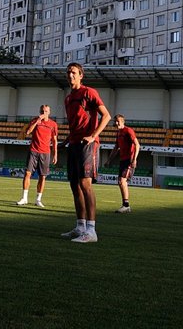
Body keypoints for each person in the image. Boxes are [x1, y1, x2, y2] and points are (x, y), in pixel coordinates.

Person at [61, 63, 111, 243]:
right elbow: (76, 123)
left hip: (87, 144)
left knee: (85, 183)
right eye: (68, 72)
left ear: (81, 75)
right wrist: (66, 140)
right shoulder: (68, 99)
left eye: (74, 72)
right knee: (74, 185)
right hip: (73, 144)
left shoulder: (89, 92)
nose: (70, 75)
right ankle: (80, 226)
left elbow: (106, 116)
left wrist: (93, 136)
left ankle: (91, 230)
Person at [18, 105, 58, 207]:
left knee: (42, 177)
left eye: (45, 111)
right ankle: (24, 198)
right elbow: (28, 132)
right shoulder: (35, 121)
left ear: (49, 112)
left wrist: (55, 155)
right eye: (42, 111)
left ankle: (38, 199)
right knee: (27, 173)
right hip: (33, 151)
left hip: (45, 152)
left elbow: (54, 140)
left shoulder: (53, 124)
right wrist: (37, 122)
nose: (43, 113)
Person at [106, 114, 140, 213]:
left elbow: (137, 145)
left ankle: (126, 205)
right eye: (114, 121)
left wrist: (134, 159)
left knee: (122, 181)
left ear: (122, 121)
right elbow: (116, 148)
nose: (115, 123)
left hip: (129, 160)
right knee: (120, 182)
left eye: (117, 121)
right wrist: (109, 160)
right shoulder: (119, 133)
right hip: (123, 160)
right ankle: (125, 205)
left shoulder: (128, 131)